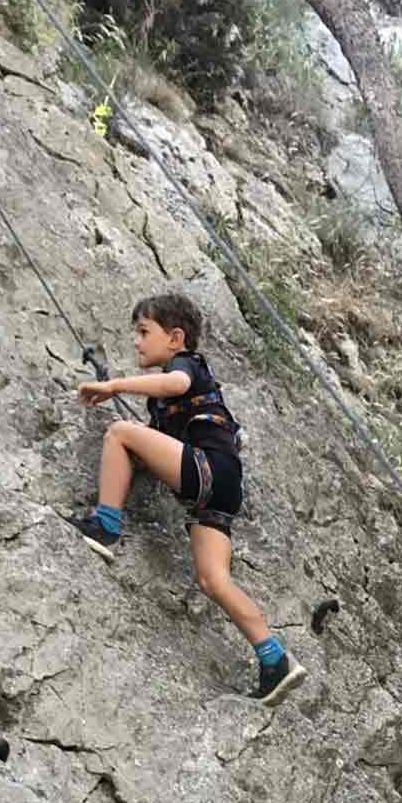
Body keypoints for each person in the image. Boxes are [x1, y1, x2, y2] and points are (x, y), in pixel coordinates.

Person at [69, 292, 307, 707]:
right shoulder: (167, 403)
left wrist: (113, 386)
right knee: (213, 579)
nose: (137, 342)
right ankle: (274, 658)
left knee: (118, 433)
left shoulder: (187, 366)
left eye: (144, 332)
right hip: (221, 486)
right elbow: (159, 439)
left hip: (207, 468)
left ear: (176, 337)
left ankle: (106, 524)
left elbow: (174, 385)